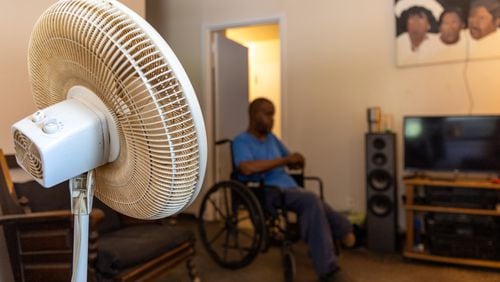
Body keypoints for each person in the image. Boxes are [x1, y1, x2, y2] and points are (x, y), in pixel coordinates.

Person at [232, 98, 355, 281]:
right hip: (266, 190)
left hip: (289, 187)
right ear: (253, 115)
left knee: (314, 202)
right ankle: (329, 268)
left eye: (273, 115)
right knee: (312, 201)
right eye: (268, 114)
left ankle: (338, 232)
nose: (272, 119)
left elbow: (289, 158)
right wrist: (283, 161)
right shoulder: (241, 141)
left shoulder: (272, 139)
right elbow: (247, 168)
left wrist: (297, 158)